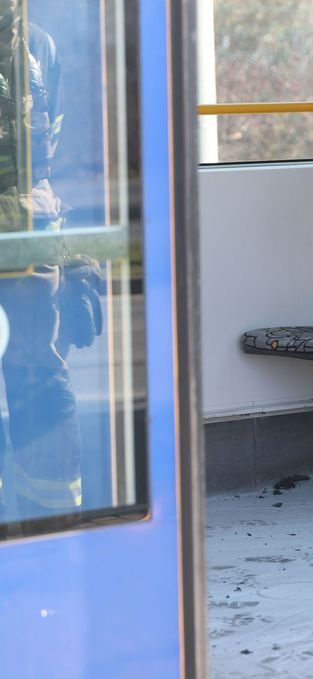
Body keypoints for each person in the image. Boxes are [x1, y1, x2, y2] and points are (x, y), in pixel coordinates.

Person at [0, 0, 79, 521]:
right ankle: (51, 515)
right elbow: (53, 146)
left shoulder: (38, 44)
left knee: (37, 370)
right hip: (33, 224)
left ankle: (47, 510)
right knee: (38, 370)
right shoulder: (38, 43)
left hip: (27, 228)